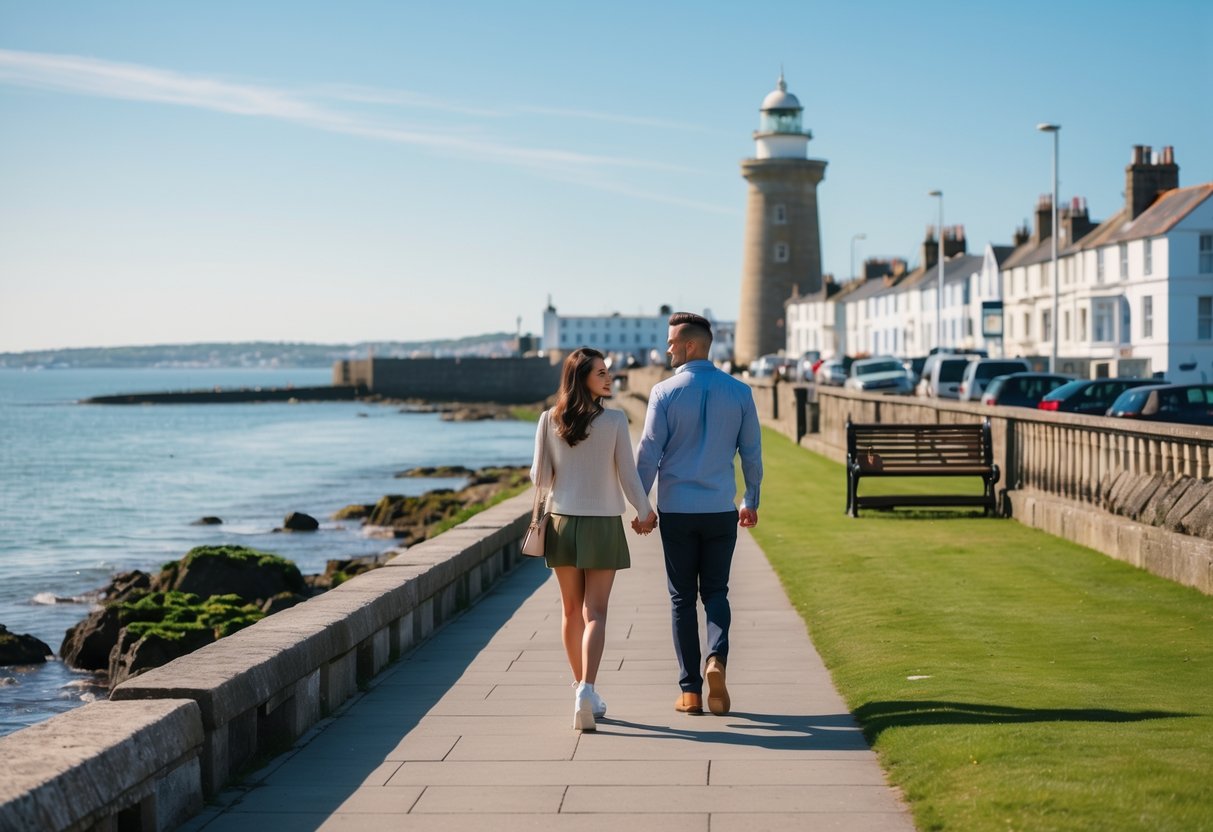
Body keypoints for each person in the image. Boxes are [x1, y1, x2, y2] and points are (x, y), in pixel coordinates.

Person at [635, 312, 762, 716]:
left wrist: (642, 508)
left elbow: (648, 454)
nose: (668, 347)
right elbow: (751, 454)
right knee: (717, 593)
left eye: (673, 341)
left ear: (690, 345)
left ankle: (690, 691)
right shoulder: (740, 392)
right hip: (720, 510)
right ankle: (716, 661)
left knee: (681, 600)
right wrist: (751, 499)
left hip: (677, 511)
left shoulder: (664, 393)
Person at [531, 347, 657, 732]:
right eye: (600, 372)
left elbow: (540, 478)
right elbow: (627, 475)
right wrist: (644, 511)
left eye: (608, 372)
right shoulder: (615, 421)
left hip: (562, 523)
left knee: (571, 612)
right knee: (595, 613)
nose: (608, 378)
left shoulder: (548, 419)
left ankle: (580, 690)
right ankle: (586, 688)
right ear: (582, 377)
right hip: (602, 523)